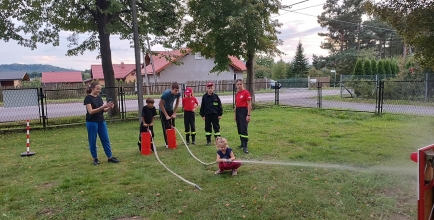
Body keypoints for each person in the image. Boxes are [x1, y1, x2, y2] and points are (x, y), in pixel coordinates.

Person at [84, 82, 120, 165]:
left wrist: (109, 108)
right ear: (92, 88)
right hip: (91, 122)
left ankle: (110, 157)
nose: (99, 90)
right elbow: (91, 111)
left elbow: (103, 110)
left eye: (100, 89)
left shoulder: (99, 98)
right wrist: (103, 107)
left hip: (101, 121)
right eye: (97, 89)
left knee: (105, 139)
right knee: (92, 140)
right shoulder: (88, 98)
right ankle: (95, 158)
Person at [159, 82, 181, 147]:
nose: (177, 92)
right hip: (163, 110)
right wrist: (166, 115)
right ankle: (167, 143)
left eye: (178, 90)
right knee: (166, 126)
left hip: (170, 109)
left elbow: (177, 102)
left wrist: (174, 113)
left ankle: (173, 141)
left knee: (172, 126)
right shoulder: (166, 94)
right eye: (175, 90)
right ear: (172, 89)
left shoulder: (178, 94)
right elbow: (160, 104)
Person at [235, 79, 252, 154]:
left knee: (244, 128)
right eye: (238, 84)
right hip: (238, 111)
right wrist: (235, 115)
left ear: (243, 84)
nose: (239, 86)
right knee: (239, 128)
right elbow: (236, 105)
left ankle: (245, 146)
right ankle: (242, 143)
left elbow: (249, 104)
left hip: (244, 111)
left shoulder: (246, 93)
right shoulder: (237, 93)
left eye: (240, 84)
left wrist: (248, 115)